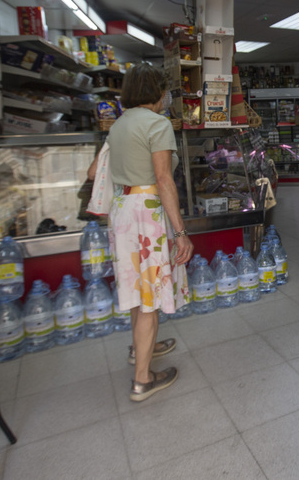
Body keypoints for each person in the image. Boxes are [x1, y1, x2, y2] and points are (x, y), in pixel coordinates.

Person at [87, 63, 193, 402]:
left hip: (122, 211)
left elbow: (94, 171)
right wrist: (181, 231)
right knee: (150, 294)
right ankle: (143, 379)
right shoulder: (157, 124)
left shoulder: (118, 124)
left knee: (137, 288)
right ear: (158, 92)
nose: (166, 98)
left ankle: (140, 348)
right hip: (147, 212)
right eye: (165, 92)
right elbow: (163, 180)